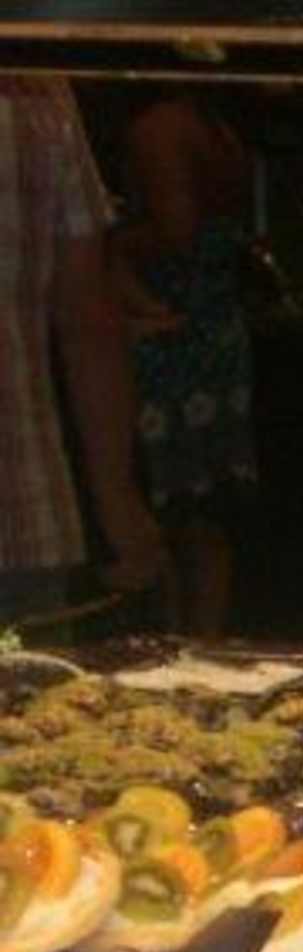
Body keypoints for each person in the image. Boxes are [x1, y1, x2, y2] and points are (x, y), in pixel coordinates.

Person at [0, 78, 164, 627]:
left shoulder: (42, 88)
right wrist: (118, 500)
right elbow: (87, 320)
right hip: (22, 510)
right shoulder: (41, 88)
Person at [112, 90, 259, 638]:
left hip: (172, 333)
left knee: (174, 506)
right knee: (202, 508)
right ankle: (200, 641)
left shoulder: (162, 126)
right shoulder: (218, 130)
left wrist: (108, 248)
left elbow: (177, 228)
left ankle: (181, 643)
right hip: (213, 328)